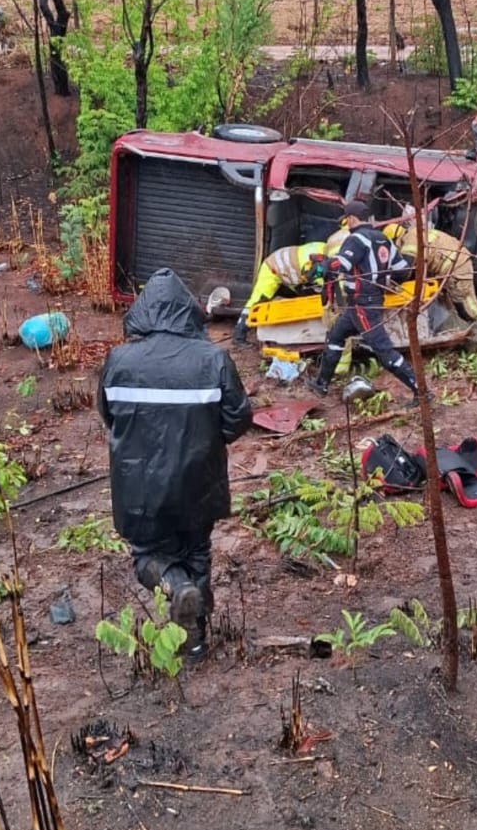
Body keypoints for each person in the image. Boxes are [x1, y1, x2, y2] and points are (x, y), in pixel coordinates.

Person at [98, 269, 252, 657]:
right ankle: (194, 641)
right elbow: (239, 417)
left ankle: (175, 586)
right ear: (189, 312)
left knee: (148, 554)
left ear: (143, 312)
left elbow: (108, 415)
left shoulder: (119, 360)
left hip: (140, 488)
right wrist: (206, 444)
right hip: (199, 483)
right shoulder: (214, 359)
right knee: (197, 550)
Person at [310, 200, 420, 400]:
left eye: (346, 220)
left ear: (352, 218)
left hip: (362, 304)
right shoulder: (383, 239)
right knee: (335, 336)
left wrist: (322, 264)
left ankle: (421, 392)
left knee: (384, 350)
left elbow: (340, 263)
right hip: (368, 302)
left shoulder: (356, 239)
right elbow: (403, 270)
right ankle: (321, 384)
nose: (347, 224)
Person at [395, 207, 477, 348]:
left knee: (466, 304)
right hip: (453, 264)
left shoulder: (409, 240)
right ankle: (474, 333)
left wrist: (395, 279)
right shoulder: (417, 232)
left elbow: (407, 268)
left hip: (455, 267)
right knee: (455, 305)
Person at [232, 240, 328, 344]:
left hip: (291, 272)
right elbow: (323, 284)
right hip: (273, 268)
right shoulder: (319, 263)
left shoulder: (324, 248)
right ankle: (239, 335)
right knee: (257, 302)